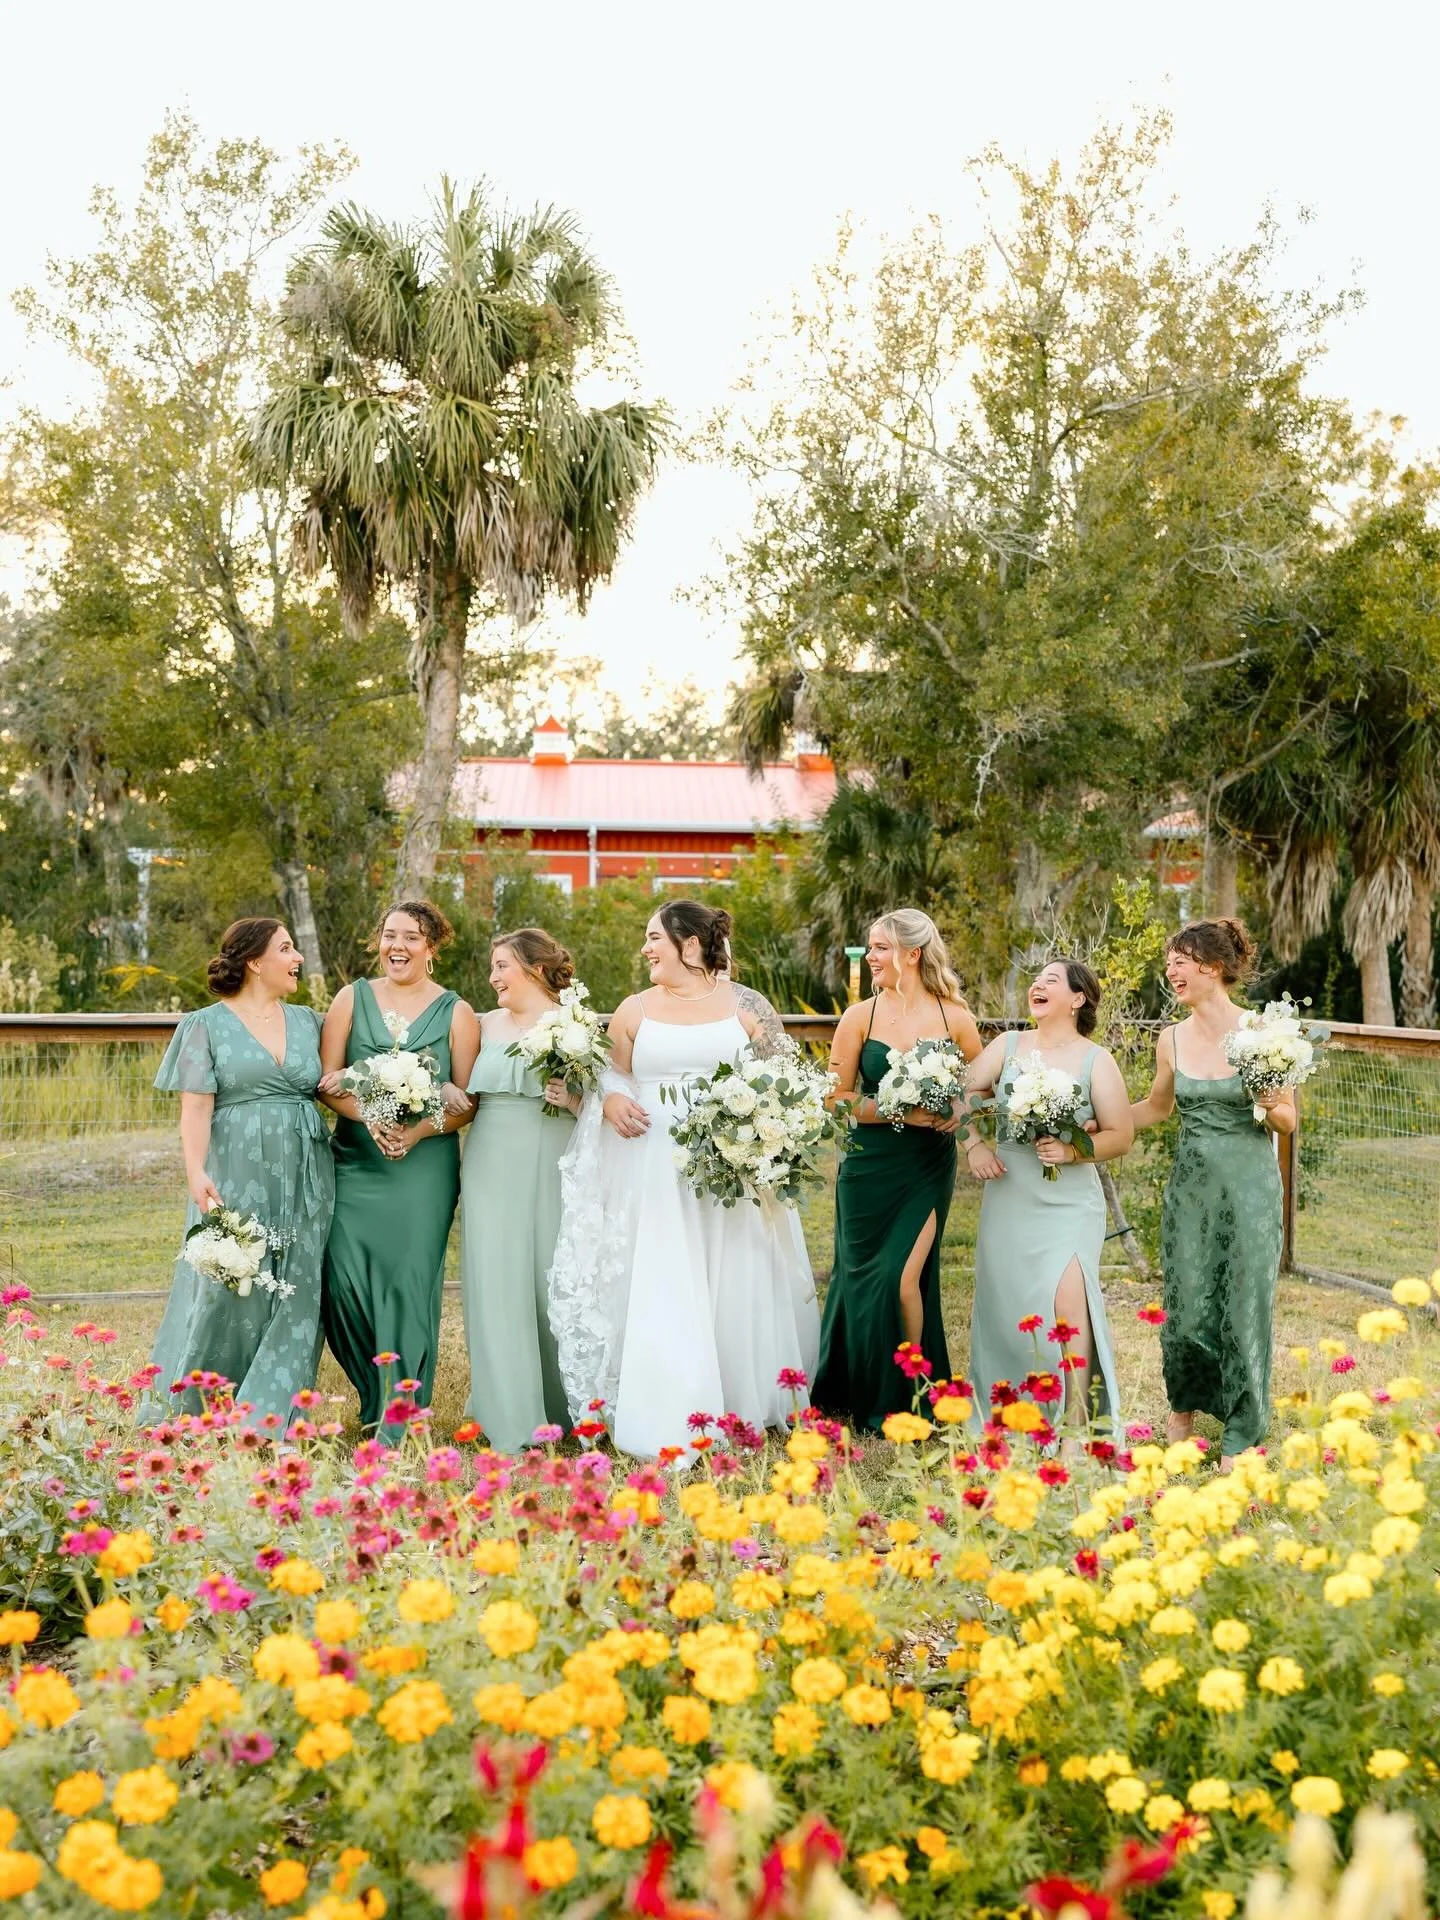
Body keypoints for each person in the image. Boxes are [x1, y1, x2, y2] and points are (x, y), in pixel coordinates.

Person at [547, 899, 819, 1458]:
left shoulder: (747, 1005)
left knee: (736, 1274)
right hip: (652, 1167)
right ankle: (669, 1400)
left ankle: (741, 1401)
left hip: (733, 1166)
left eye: (653, 939)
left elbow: (788, 1079)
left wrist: (763, 1131)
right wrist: (612, 1101)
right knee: (666, 1276)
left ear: (688, 945)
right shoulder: (634, 1010)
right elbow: (612, 1079)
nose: (644, 949)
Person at [147, 918, 334, 1425]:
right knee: (230, 1282)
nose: (297, 958)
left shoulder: (311, 1022)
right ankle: (201, 1405)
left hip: (305, 1169)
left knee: (297, 1281)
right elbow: (195, 1109)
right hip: (233, 1166)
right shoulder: (205, 1025)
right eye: (287, 948)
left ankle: (270, 1412)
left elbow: (336, 1083)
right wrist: (195, 1173)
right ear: (255, 961)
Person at [812, 909, 983, 1430]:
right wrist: (895, 1109)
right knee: (862, 1279)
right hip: (867, 1165)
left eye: (881, 948)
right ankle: (859, 1391)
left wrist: (960, 1113)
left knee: (902, 1277)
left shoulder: (955, 1017)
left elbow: (979, 1086)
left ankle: (918, 1396)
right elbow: (834, 1100)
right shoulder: (858, 1018)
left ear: (912, 953)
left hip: (925, 1165)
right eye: (869, 948)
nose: (871, 959)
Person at [1130, 918, 1291, 1465]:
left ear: (1213, 967)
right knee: (1188, 1305)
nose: (1171, 969)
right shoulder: (1170, 1038)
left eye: (1182, 959)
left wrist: (1272, 1101)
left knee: (1243, 1306)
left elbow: (1288, 1121)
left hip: (1249, 1190)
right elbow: (1155, 1108)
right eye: (1170, 960)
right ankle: (1182, 1412)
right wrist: (1090, 1120)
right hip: (1191, 1193)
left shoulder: (1261, 1032)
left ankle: (1242, 1434)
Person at [318, 900, 479, 1435]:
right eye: (390, 935)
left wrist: (413, 1131)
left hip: (423, 1167)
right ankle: (372, 1393)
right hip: (357, 1159)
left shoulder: (456, 1012)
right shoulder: (351, 998)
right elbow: (328, 1082)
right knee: (341, 1280)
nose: (397, 946)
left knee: (409, 1285)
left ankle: (401, 1414)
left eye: (411, 937)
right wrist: (371, 1120)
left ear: (431, 948)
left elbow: (466, 1102)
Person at [962, 958, 1134, 1437]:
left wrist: (1073, 1148)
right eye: (1037, 980)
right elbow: (962, 1094)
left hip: (1070, 1203)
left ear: (1077, 999)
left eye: (1051, 981)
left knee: (1068, 1306)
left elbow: (1122, 1135)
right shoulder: (1007, 1046)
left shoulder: (1096, 1060)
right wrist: (975, 1143)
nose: (1037, 985)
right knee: (1008, 1306)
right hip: (1010, 1193)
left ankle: (1076, 1427)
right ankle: (1013, 1413)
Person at [459, 927, 578, 1451]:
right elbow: (463, 1097)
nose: (492, 977)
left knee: (550, 1277)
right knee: (496, 1277)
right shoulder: (483, 1025)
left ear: (532, 968)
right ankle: (507, 1413)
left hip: (556, 1155)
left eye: (501, 965)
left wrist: (575, 1097)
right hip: (490, 1160)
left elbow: (601, 1100)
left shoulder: (575, 1025)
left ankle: (562, 1407)